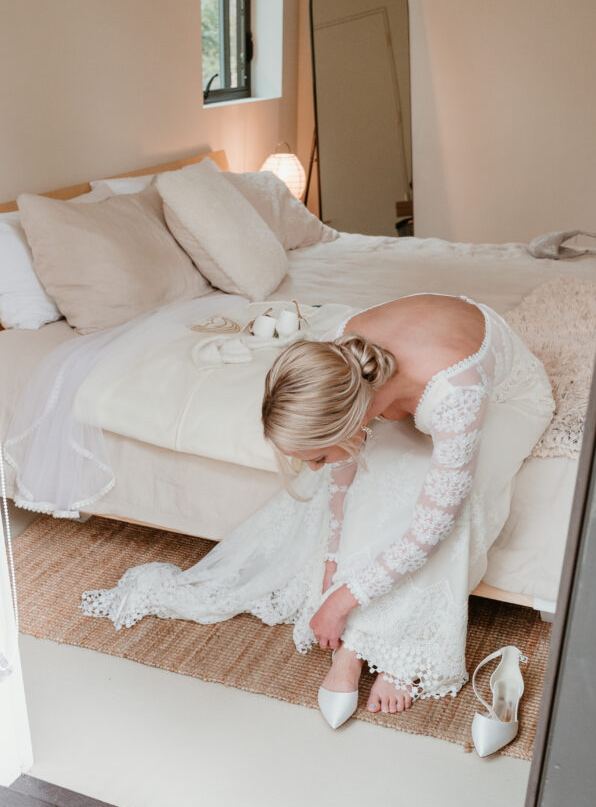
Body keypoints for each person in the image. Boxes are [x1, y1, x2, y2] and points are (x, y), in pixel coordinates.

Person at [82, 293, 554, 724]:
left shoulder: (458, 399)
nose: (312, 467)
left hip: (509, 397)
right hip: (419, 376)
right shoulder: (336, 354)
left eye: (316, 455)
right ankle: (355, 648)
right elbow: (344, 473)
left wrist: (341, 599)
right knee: (379, 479)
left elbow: (431, 528)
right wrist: (331, 562)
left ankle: (393, 652)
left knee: (454, 511)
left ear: (356, 420)